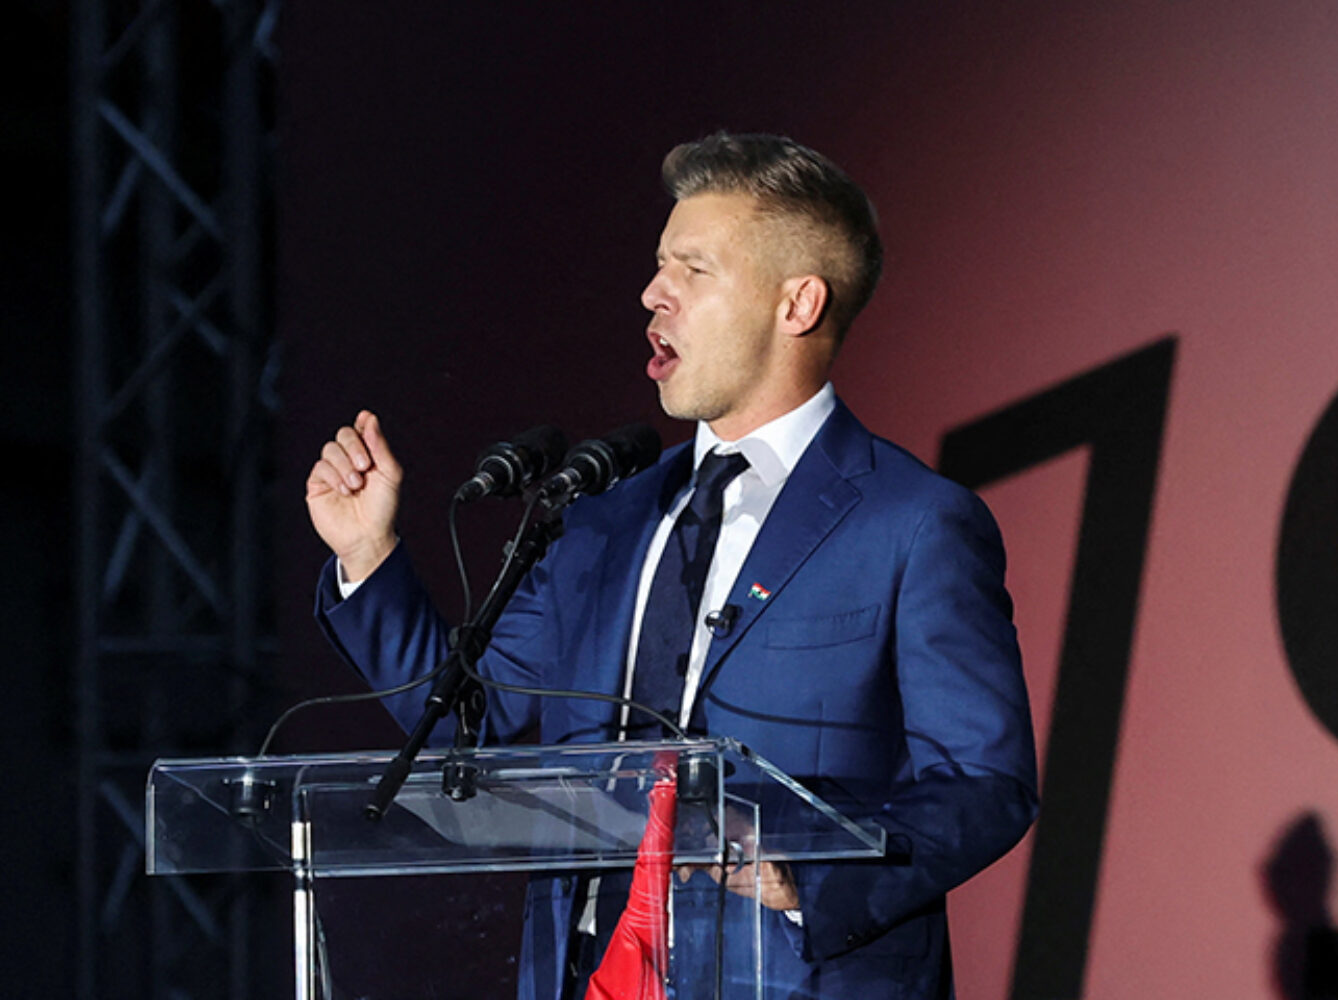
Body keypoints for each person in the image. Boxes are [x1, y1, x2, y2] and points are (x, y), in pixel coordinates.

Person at [306, 132, 1038, 999]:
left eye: (692, 269)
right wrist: (367, 554)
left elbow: (984, 783)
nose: (654, 293)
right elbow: (471, 720)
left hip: (791, 977)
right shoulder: (604, 518)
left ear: (797, 303)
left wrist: (808, 873)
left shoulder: (910, 523)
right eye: (660, 265)